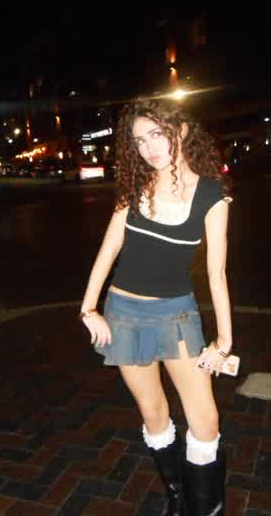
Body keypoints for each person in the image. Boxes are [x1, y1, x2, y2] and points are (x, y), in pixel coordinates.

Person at [80, 98, 233, 515]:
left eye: (156, 134)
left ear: (180, 131)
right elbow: (110, 248)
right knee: (153, 414)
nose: (148, 147)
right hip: (124, 315)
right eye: (139, 140)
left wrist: (223, 341)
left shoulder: (211, 194)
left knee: (205, 420)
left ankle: (205, 507)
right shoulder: (135, 186)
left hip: (177, 315)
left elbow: (217, 273)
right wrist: (89, 308)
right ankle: (178, 498)